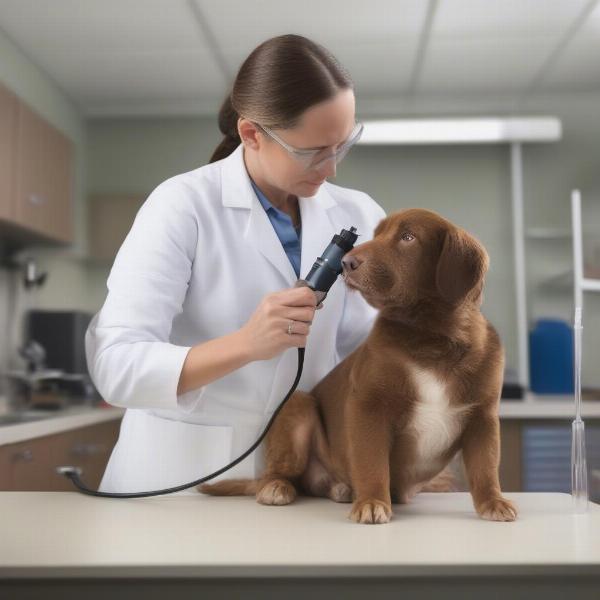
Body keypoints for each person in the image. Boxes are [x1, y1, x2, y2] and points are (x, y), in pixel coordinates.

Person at [85, 34, 387, 495]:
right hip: (176, 484)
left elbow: (366, 353)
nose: (331, 169)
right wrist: (245, 344)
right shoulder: (181, 204)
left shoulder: (359, 214)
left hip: (306, 478)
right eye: (312, 152)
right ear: (252, 134)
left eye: (342, 146)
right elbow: (116, 365)